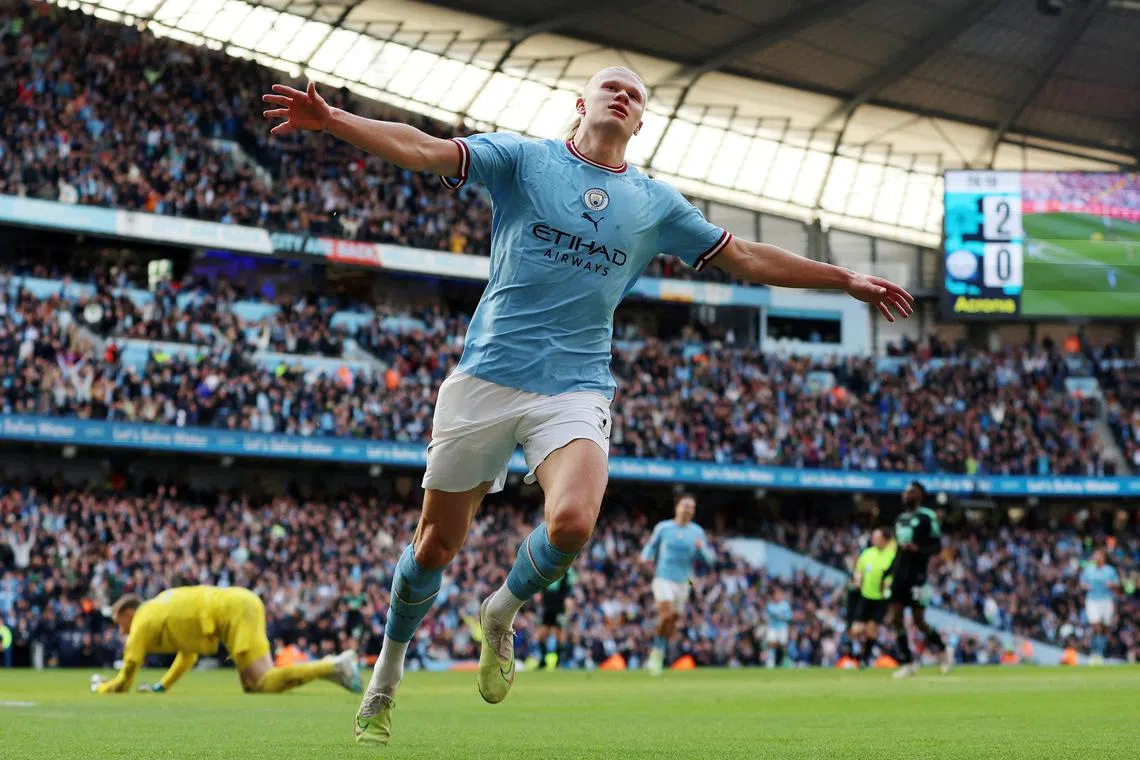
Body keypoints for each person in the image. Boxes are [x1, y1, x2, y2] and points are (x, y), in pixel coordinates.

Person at [261, 66, 913, 747]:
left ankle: (501, 611)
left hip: (575, 384)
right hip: (486, 376)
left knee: (572, 522)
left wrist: (844, 279)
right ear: (581, 104)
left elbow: (744, 256)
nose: (623, 94)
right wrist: (335, 120)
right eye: (612, 86)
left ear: (640, 125)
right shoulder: (523, 159)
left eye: (636, 95)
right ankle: (384, 678)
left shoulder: (655, 203)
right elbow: (425, 148)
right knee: (434, 545)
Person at [90, 586, 360, 695]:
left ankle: (335, 665)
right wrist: (162, 687)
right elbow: (188, 655)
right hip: (239, 603)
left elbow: (126, 676)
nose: (120, 628)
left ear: (128, 613)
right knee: (252, 686)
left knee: (262, 682)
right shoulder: (159, 608)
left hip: (236, 612)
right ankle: (333, 670)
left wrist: (102, 687)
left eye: (118, 620)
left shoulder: (142, 621)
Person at [639, 493, 715, 675]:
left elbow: (710, 560)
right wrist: (644, 558)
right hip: (663, 577)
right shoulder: (664, 528)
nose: (688, 510)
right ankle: (656, 656)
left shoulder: (697, 532)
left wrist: (701, 550)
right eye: (685, 505)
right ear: (677, 507)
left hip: (684, 582)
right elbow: (651, 546)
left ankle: (657, 651)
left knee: (672, 619)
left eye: (692, 507)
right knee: (667, 614)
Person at [883, 482, 951, 678]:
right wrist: (887, 573)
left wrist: (918, 549)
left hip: (918, 575)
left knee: (919, 621)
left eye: (911, 491)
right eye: (905, 492)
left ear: (919, 495)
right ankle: (907, 662)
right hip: (899, 575)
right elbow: (897, 550)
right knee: (896, 618)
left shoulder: (927, 517)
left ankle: (943, 651)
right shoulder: (900, 519)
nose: (906, 495)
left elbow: (937, 547)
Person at [848, 527, 895, 667]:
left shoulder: (891, 556)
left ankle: (864, 659)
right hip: (865, 597)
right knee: (856, 629)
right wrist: (857, 578)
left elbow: (892, 576)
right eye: (873, 537)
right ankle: (859, 652)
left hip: (880, 600)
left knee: (871, 630)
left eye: (877, 537)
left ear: (885, 540)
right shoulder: (867, 553)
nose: (873, 539)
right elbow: (858, 570)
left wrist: (887, 586)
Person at [1081, 548, 1119, 663]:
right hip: (1092, 600)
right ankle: (1095, 653)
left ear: (1103, 558)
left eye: (1098, 555)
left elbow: (1117, 584)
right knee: (1095, 625)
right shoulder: (1089, 570)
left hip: (1106, 600)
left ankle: (1101, 652)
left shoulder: (1110, 570)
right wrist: (1086, 586)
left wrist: (1111, 584)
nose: (1096, 558)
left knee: (1105, 628)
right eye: (1095, 555)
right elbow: (1082, 583)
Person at [764, 586, 793, 669]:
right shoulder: (770, 605)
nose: (777, 596)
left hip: (782, 627)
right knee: (771, 643)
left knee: (783, 644)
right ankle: (770, 661)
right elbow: (769, 615)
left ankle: (786, 660)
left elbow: (789, 616)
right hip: (772, 627)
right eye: (775, 595)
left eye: (779, 594)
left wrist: (781, 616)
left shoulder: (785, 605)